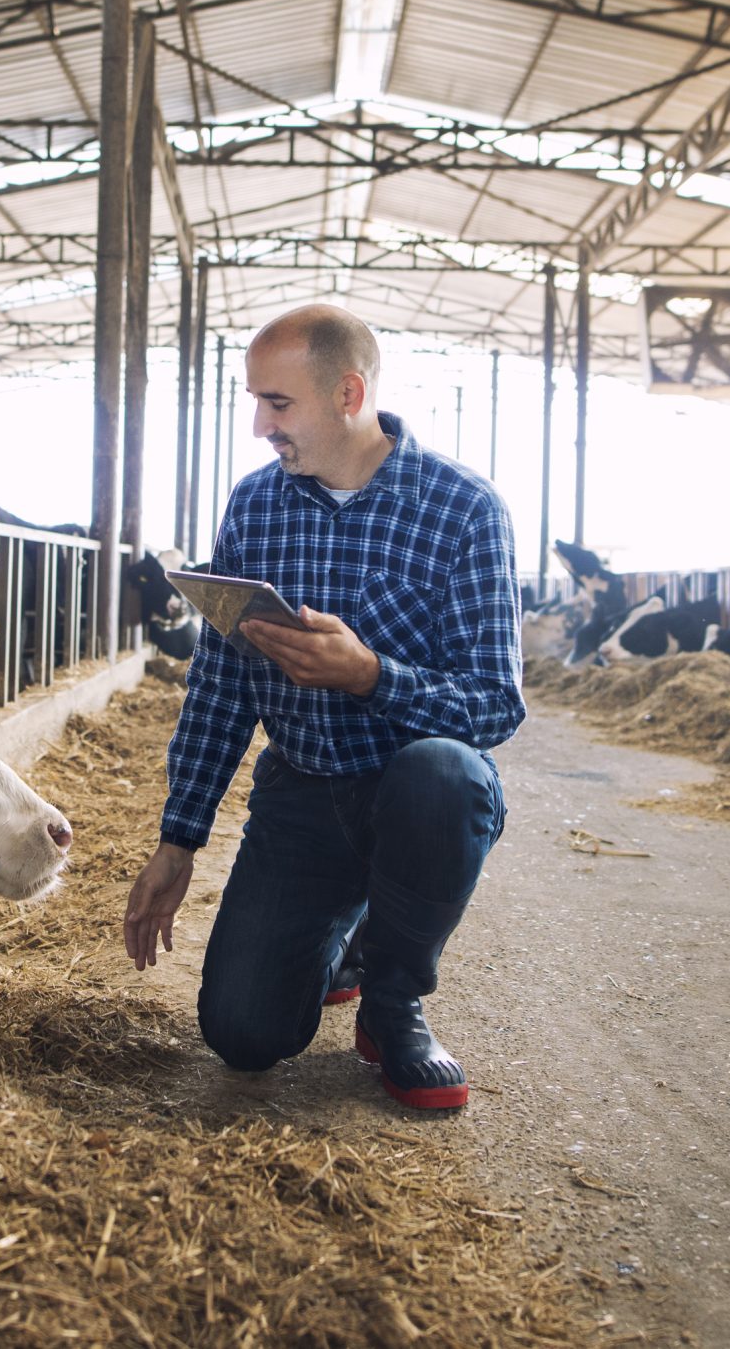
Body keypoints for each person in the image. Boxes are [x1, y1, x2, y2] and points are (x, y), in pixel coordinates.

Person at [121, 304, 524, 1110]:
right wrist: (179, 836)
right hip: (300, 793)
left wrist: (372, 675)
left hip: (406, 792)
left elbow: (495, 706)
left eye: (277, 404)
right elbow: (222, 682)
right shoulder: (256, 506)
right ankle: (339, 931)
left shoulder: (465, 512)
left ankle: (392, 1000)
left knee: (445, 774)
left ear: (347, 393)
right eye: (255, 401)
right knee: (243, 1035)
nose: (259, 426)